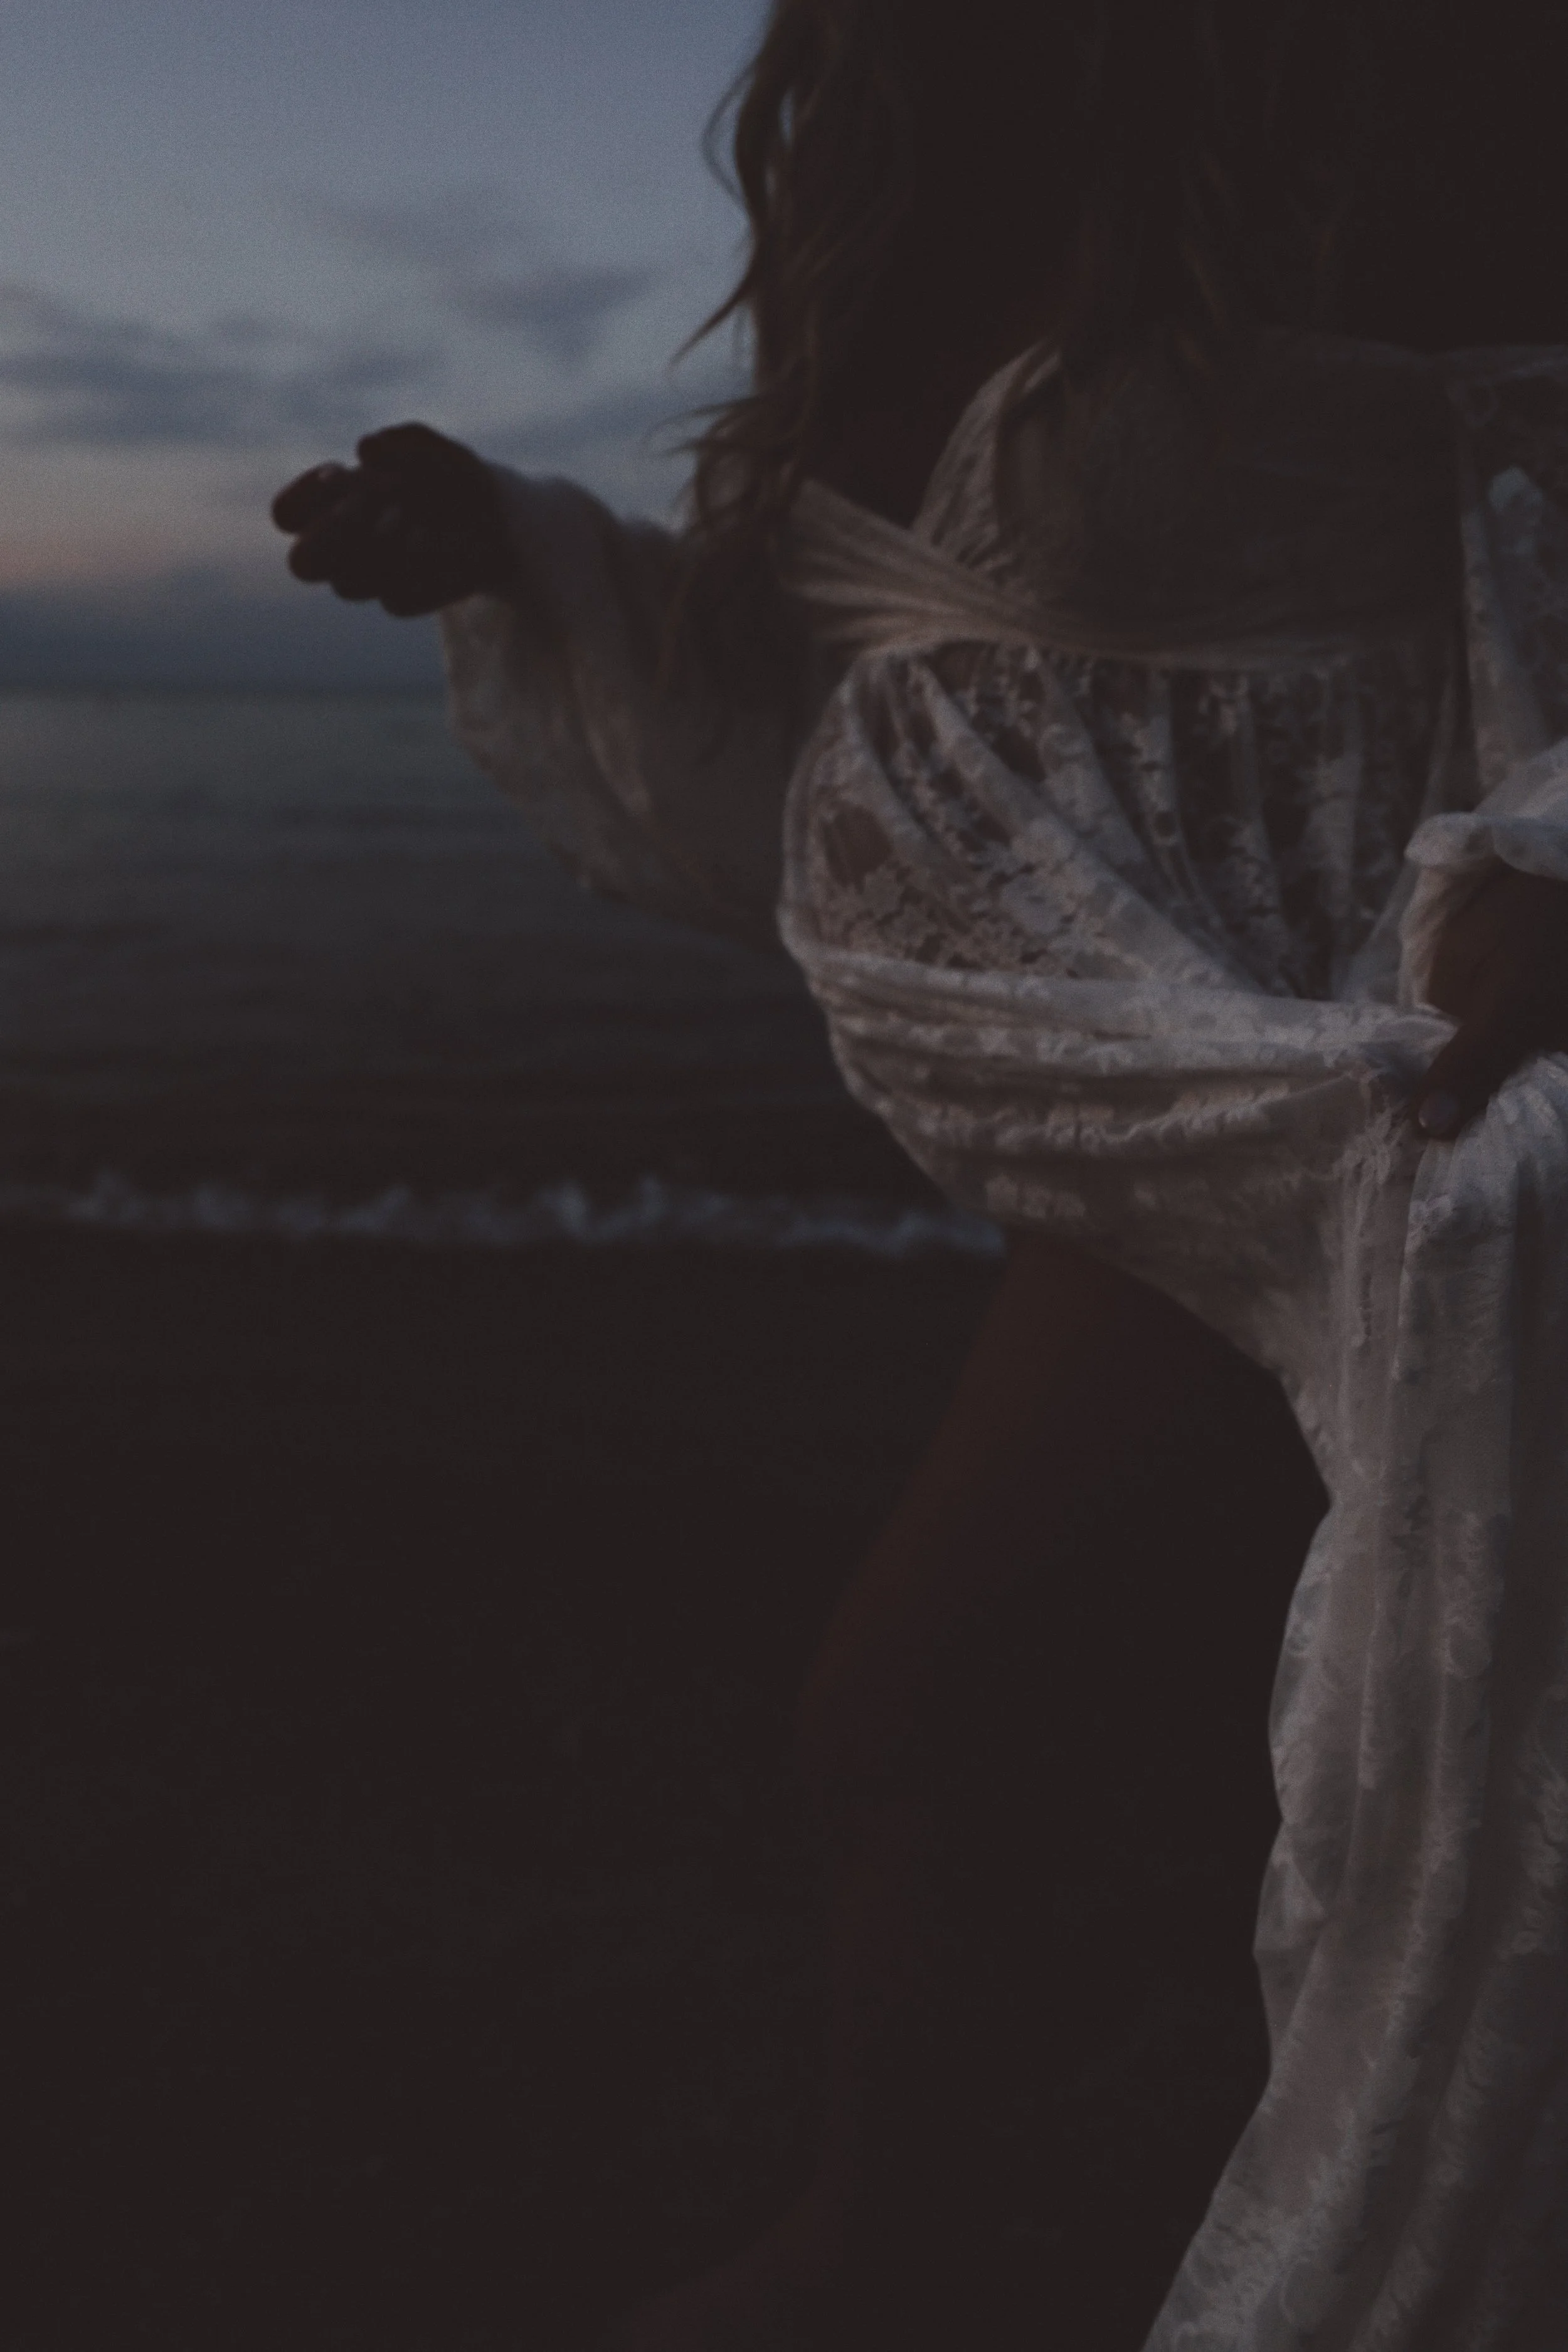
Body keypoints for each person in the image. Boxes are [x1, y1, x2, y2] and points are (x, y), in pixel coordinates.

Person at [272, 4, 1568, 2345]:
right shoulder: (888, 128)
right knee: (1175, 1724)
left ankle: (884, 2261)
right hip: (1136, 1117)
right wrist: (520, 542)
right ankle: (956, 2230)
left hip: (1364, 1076)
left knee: (921, 1702)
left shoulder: (1388, 76)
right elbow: (877, 641)